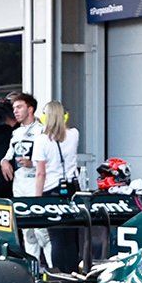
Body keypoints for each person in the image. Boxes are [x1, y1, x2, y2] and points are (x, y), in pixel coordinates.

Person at [33, 100, 84, 272]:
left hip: (51, 190)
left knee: (56, 237)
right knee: (71, 237)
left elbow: (41, 173)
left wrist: (36, 200)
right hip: (72, 189)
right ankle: (73, 274)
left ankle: (59, 275)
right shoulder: (74, 134)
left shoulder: (41, 140)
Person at [1, 92, 48, 264]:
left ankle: (51, 270)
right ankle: (34, 271)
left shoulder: (42, 130)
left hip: (36, 186)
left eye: (19, 107)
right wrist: (4, 161)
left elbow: (52, 161)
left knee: (42, 232)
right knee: (27, 232)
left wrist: (33, 163)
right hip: (19, 186)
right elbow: (8, 155)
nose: (15, 111)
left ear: (30, 109)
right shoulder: (16, 133)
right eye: (14, 108)